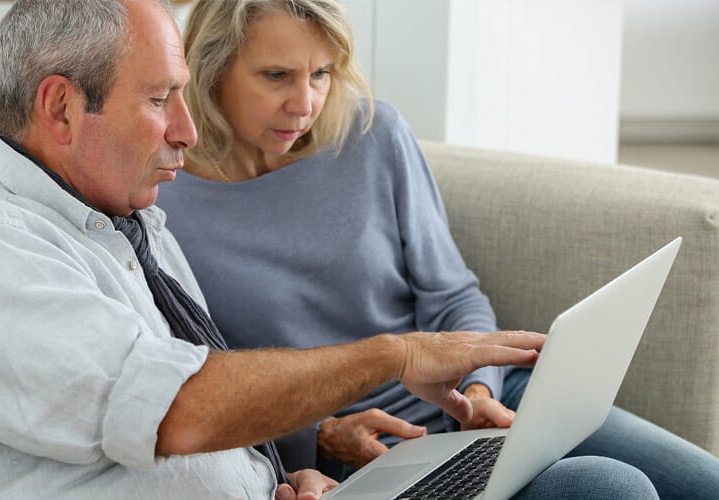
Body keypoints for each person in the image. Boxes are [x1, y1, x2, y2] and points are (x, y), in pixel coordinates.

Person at [0, 1, 575, 499]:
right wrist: (392, 356)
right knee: (601, 487)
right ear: (61, 108)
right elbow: (177, 407)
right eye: (161, 99)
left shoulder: (126, 224)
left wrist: (282, 472)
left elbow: (189, 389)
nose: (186, 131)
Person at [158, 0, 719, 497]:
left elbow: (453, 296)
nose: (305, 104)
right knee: (613, 489)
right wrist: (318, 437)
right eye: (276, 76)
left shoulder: (373, 136)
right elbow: (198, 383)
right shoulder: (165, 201)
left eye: (322, 73)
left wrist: (479, 389)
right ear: (210, 71)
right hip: (372, 451)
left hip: (491, 404)